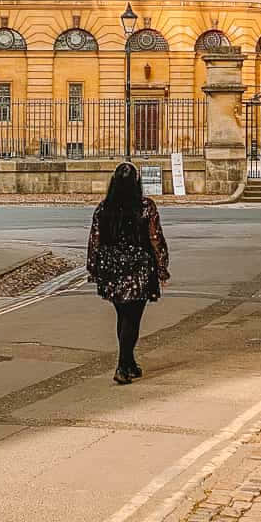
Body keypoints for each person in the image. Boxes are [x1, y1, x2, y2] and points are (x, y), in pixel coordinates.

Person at [87, 161, 170, 384]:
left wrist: (93, 268)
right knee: (132, 318)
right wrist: (162, 268)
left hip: (111, 268)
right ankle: (122, 366)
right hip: (138, 268)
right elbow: (155, 239)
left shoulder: (104, 208)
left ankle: (129, 362)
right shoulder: (145, 207)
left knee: (123, 315)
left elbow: (94, 240)